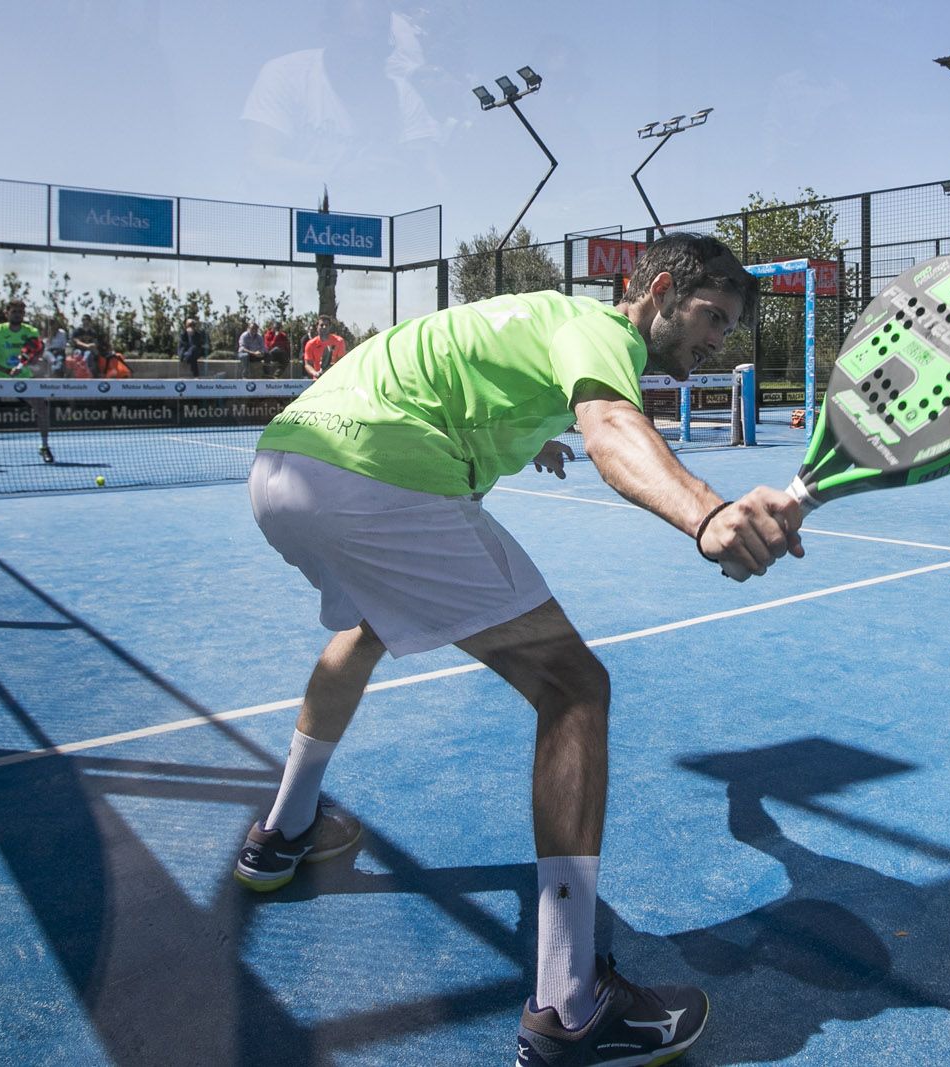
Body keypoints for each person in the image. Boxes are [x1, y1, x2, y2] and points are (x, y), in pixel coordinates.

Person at [234, 233, 801, 1066]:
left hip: (285, 468)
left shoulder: (537, 322)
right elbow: (612, 425)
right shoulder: (600, 332)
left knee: (367, 631)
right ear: (662, 290)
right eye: (712, 318)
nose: (716, 341)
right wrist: (705, 511)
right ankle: (571, 1005)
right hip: (376, 475)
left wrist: (531, 430)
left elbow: (473, 375)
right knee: (573, 688)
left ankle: (280, 834)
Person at [0, 300, 52, 467]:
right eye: (14, 311)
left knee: (42, 407)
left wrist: (23, 366)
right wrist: (5, 371)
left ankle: (45, 446)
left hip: (23, 377)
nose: (18, 314)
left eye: (20, 312)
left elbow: (35, 354)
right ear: (7, 313)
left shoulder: (31, 331)